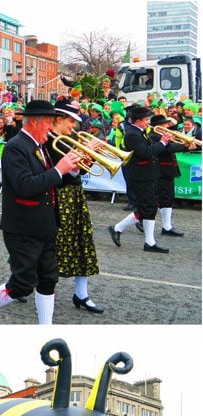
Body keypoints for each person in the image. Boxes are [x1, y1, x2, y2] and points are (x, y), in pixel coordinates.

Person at [0, 100, 80, 324]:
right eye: (49, 123)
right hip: (23, 226)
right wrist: (59, 170)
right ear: (35, 122)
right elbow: (25, 186)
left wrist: (71, 171)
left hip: (45, 223)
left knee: (49, 278)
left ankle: (45, 329)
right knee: (23, 282)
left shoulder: (40, 145)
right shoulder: (16, 146)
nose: (51, 128)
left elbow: (50, 182)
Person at [47, 99, 103, 313]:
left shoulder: (67, 139)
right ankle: (31, 285)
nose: (74, 126)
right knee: (52, 246)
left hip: (75, 195)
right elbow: (64, 172)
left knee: (82, 242)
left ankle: (82, 294)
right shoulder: (49, 140)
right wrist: (81, 155)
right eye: (71, 121)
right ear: (58, 119)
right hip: (59, 196)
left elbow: (79, 172)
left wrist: (88, 157)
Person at [107, 105, 174, 253]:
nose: (148, 123)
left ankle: (147, 241)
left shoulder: (140, 131)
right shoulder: (132, 134)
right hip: (140, 176)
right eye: (145, 120)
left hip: (148, 174)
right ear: (137, 121)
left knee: (150, 207)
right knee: (147, 207)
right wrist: (162, 142)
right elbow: (146, 153)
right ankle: (121, 229)